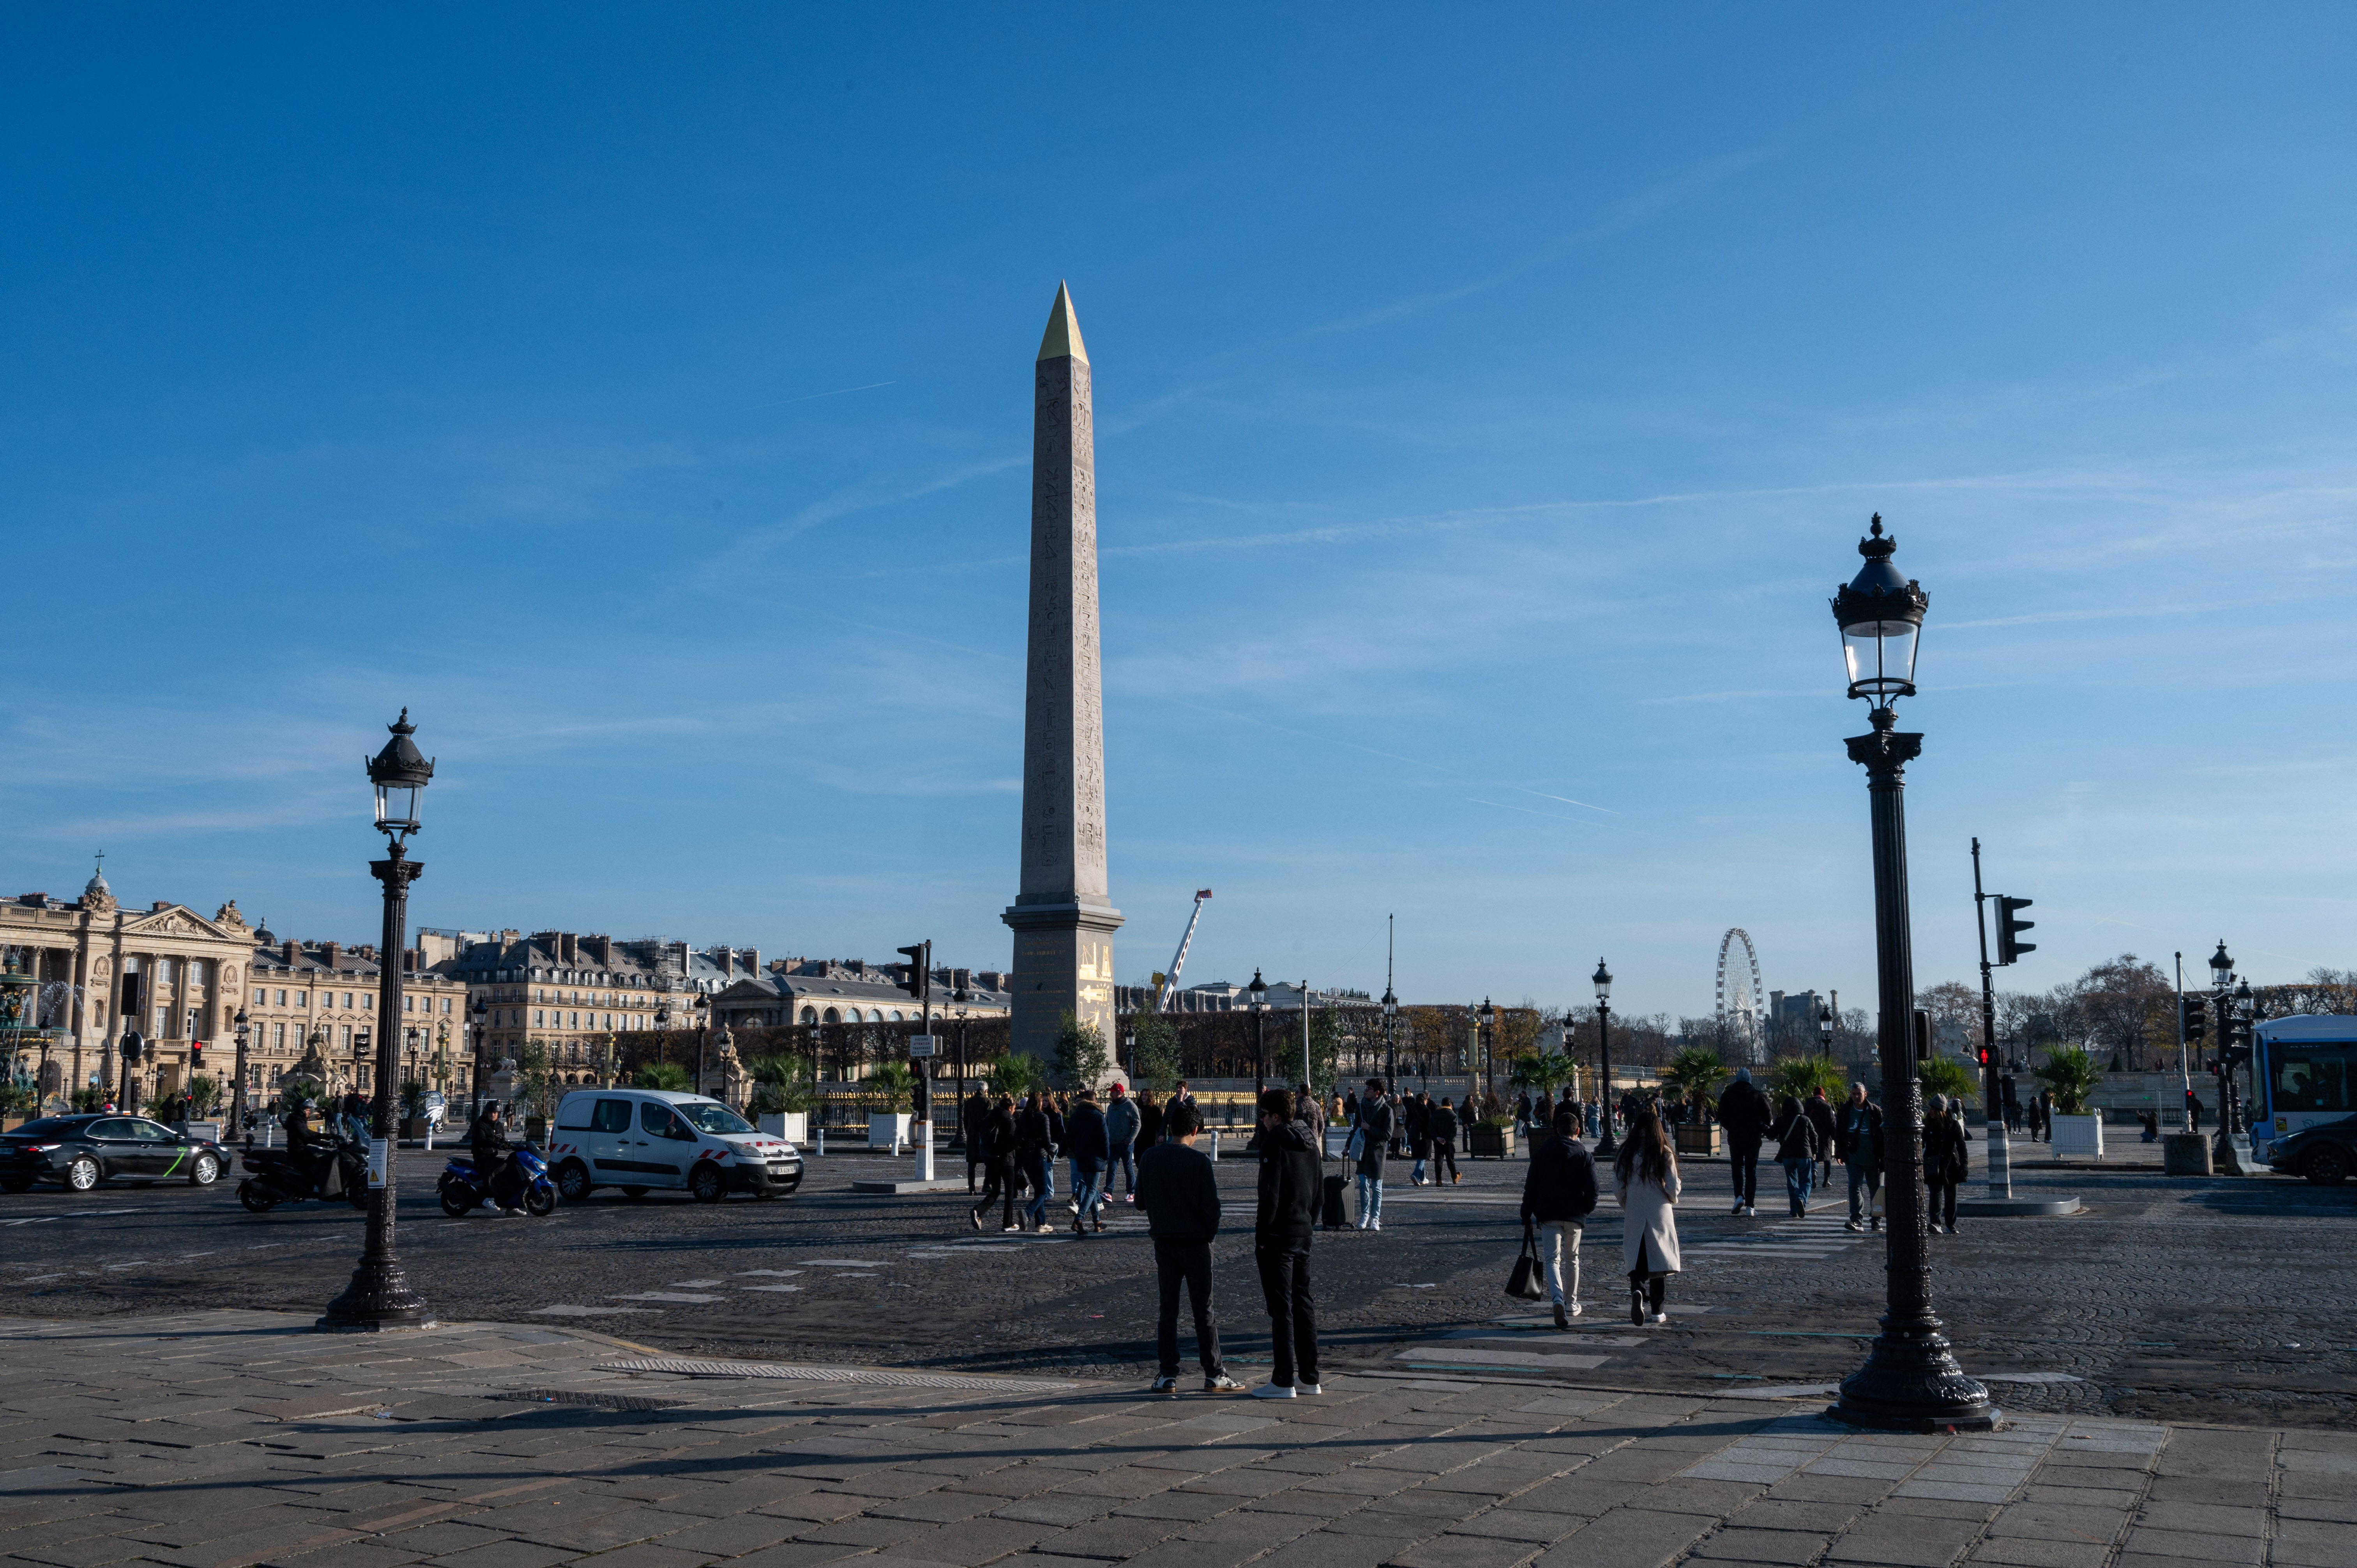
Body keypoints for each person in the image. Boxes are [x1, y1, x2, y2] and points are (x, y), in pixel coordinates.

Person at [1135, 1100, 1242, 1394]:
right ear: (1195, 1131)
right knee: (1204, 1310)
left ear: (1170, 1128)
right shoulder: (1199, 1162)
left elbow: (1140, 1203)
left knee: (1167, 1310)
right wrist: (1209, 1235)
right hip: (1196, 1243)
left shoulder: (1149, 1158)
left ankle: (1167, 1373)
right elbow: (1212, 1208)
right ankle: (1214, 1372)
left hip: (1165, 1242)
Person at [1251, 1088, 1322, 1398]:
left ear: (1276, 1116)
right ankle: (1310, 1376)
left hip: (1279, 1234)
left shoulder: (1274, 1142)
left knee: (1281, 1310)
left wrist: (1262, 1235)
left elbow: (1269, 1196)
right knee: (1303, 1304)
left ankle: (1283, 1379)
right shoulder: (1310, 1143)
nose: (1261, 1121)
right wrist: (1308, 1222)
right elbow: (1319, 1192)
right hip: (1303, 1230)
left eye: (1263, 1115)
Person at [1521, 1106, 1599, 1329]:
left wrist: (1526, 1214)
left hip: (1548, 1213)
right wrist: (1585, 1210)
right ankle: (1571, 1303)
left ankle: (1556, 1298)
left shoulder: (1542, 1154)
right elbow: (1594, 1190)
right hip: (1574, 1214)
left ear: (1556, 1130)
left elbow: (1531, 1188)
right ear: (1579, 1131)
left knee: (1552, 1259)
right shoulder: (1584, 1156)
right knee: (1572, 1259)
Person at [1613, 1110, 1681, 1326]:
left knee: (1637, 1254)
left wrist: (1627, 1204)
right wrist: (1672, 1197)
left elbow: (1618, 1188)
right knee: (1659, 1259)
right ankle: (1657, 1311)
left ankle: (1638, 1290)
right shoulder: (1663, 1152)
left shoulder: (1626, 1152)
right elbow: (1672, 1186)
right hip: (1658, 1209)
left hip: (1635, 1207)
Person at [1716, 1068, 1772, 1218]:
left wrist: (1731, 1127)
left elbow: (1721, 1115)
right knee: (1751, 1171)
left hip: (1735, 1137)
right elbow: (1768, 1116)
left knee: (1737, 1168)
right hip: (1753, 1138)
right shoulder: (1758, 1095)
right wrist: (1760, 1128)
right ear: (1749, 1079)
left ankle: (1739, 1196)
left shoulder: (1728, 1095)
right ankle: (1751, 1206)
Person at [1836, 1083, 1885, 1233]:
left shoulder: (1875, 1111)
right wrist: (1840, 1153)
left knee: (1875, 1191)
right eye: (1854, 1094)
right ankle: (1857, 1219)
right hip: (1853, 1157)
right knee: (1854, 1188)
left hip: (1873, 1158)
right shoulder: (1845, 1111)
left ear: (1866, 1094)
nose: (1857, 1097)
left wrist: (1884, 1156)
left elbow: (1883, 1135)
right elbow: (1839, 1133)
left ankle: (1876, 1220)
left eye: (1859, 1094)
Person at [970, 1095, 1019, 1232]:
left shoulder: (991, 1116)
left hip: (991, 1158)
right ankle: (1008, 1223)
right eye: (1014, 1109)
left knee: (996, 1190)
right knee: (1010, 1192)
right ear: (1010, 1108)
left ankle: (979, 1210)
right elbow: (1013, 1141)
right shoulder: (1009, 1120)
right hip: (1006, 1159)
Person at [1066, 1087, 1110, 1236]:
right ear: (1095, 1101)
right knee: (1092, 1189)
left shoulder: (1076, 1115)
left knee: (1092, 1188)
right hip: (1096, 1156)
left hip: (1081, 1156)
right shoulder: (1098, 1116)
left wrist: (1077, 1150)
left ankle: (1097, 1223)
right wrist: (1106, 1155)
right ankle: (1079, 1220)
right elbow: (1105, 1138)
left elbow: (1069, 1137)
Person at [1351, 1078, 1392, 1229]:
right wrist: (1348, 1146)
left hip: (1377, 1152)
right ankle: (1365, 1214)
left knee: (1376, 1186)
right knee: (1363, 1184)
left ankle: (1376, 1217)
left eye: (1369, 1088)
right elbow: (1355, 1128)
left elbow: (1387, 1135)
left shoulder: (1386, 1110)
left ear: (1377, 1093)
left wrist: (1370, 1128)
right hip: (1363, 1151)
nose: (1365, 1090)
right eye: (1366, 1087)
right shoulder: (1360, 1107)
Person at [466, 1101, 521, 1213]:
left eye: (495, 1113)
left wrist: (511, 1145)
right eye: (491, 1113)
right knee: (494, 1170)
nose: (493, 1115)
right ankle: (487, 1198)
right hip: (481, 1157)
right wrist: (496, 1144)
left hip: (492, 1156)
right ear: (486, 1113)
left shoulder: (499, 1126)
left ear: (499, 1114)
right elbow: (482, 1140)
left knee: (511, 1170)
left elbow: (502, 1139)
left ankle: (511, 1206)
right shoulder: (480, 1125)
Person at [1924, 1094, 1969, 1234]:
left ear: (1941, 1111)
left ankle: (1951, 1224)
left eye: (1934, 1109)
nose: (1931, 1111)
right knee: (1935, 1194)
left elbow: (1962, 1146)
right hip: (1933, 1163)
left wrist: (1964, 1164)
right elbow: (1920, 1142)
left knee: (1951, 1195)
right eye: (1930, 1108)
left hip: (1950, 1164)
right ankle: (1936, 1223)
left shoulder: (1953, 1125)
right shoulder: (1927, 1124)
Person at [1771, 1093, 1820, 1217]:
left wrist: (1763, 1126)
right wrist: (1814, 1151)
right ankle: (1802, 1199)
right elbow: (1814, 1137)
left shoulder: (1781, 1120)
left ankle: (1794, 1209)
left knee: (1792, 1182)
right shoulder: (1805, 1120)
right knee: (1806, 1181)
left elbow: (1771, 1135)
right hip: (1804, 1154)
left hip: (1787, 1155)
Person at [1016, 1091, 1054, 1231]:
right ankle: (1028, 1213)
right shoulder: (1043, 1117)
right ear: (1039, 1103)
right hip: (1039, 1156)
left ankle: (1041, 1223)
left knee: (1039, 1190)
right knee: (1043, 1191)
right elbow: (1047, 1141)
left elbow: (1018, 1138)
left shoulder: (1023, 1117)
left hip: (1026, 1157)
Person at [1104, 1082, 1141, 1200]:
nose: (1111, 1094)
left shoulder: (1130, 1106)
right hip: (1113, 1143)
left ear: (1119, 1093)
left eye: (1113, 1092)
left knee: (1128, 1168)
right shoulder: (1111, 1107)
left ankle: (1132, 1192)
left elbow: (1137, 1124)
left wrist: (1130, 1139)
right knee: (1111, 1168)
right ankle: (1108, 1192)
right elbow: (1107, 1123)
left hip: (1126, 1144)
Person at [1804, 1086, 1838, 1194]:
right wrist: (1835, 1137)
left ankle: (1814, 1171)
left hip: (1811, 1135)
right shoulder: (1827, 1107)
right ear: (1823, 1095)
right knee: (1827, 1157)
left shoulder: (1808, 1105)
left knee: (1814, 1156)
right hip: (1825, 1135)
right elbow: (1832, 1124)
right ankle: (1826, 1179)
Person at [961, 1082, 994, 1194]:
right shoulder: (987, 1102)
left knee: (972, 1164)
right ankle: (986, 1185)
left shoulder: (969, 1102)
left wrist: (968, 1131)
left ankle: (972, 1188)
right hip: (983, 1136)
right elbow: (990, 1119)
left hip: (972, 1135)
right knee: (989, 1162)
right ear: (986, 1091)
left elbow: (965, 1119)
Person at [1429, 1095, 1461, 1185]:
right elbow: (1454, 1130)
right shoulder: (1453, 1115)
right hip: (1448, 1142)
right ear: (1450, 1105)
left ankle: (1438, 1180)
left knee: (1438, 1161)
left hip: (1438, 1141)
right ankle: (1454, 1177)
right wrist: (1447, 1139)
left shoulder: (1435, 1114)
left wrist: (1437, 1138)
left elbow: (1431, 1128)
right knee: (1451, 1161)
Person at [1406, 1091, 1433, 1185]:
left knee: (1420, 1157)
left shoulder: (1412, 1109)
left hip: (1414, 1136)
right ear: (1425, 1100)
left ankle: (1423, 1178)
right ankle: (1416, 1175)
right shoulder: (1427, 1111)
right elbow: (1430, 1125)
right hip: (1425, 1137)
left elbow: (1407, 1123)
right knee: (1423, 1157)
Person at [1137, 1088, 1165, 1155]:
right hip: (1139, 1135)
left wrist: (1160, 1134)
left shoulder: (1155, 1109)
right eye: (1143, 1095)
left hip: (1150, 1135)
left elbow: (1159, 1123)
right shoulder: (1138, 1107)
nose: (1144, 1097)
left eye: (1146, 1095)